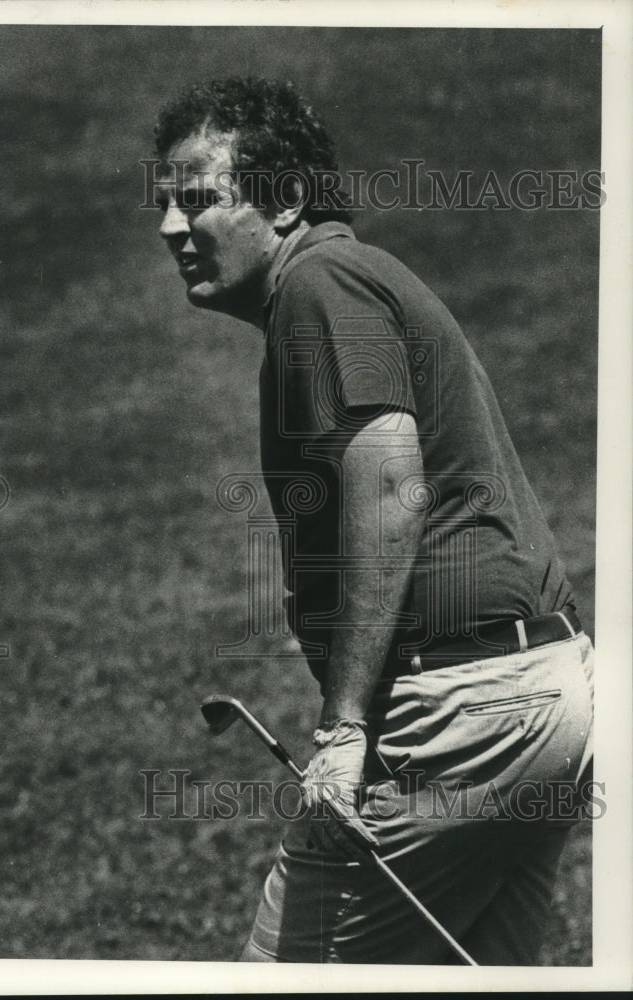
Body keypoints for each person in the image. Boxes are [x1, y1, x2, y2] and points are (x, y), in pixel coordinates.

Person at [151, 76, 594, 965]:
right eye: (165, 202)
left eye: (197, 200)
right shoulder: (352, 279)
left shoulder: (321, 283)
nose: (169, 227)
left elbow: (390, 485)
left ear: (286, 200)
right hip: (547, 693)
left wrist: (345, 728)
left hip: (461, 715)